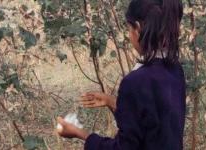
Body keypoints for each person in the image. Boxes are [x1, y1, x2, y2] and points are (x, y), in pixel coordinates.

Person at [56, 0, 186, 149]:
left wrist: (81, 134)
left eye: (129, 29)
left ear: (137, 29)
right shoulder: (175, 70)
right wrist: (112, 102)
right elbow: (152, 123)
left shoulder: (135, 82)